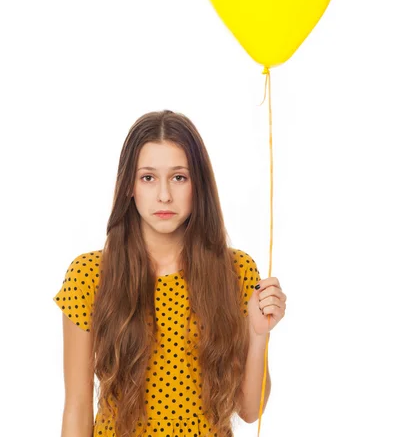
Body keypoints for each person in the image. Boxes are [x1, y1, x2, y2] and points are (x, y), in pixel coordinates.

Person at [53, 109, 287, 437]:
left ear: (198, 185)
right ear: (129, 186)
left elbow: (249, 410)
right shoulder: (90, 275)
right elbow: (77, 405)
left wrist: (259, 334)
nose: (164, 194)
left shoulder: (235, 272)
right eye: (148, 177)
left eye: (179, 177)